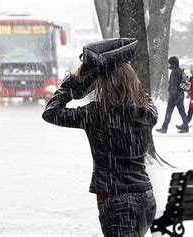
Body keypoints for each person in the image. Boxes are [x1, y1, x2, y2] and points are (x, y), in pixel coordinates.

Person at [42, 38, 157, 237]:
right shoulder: (146, 113)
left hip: (115, 201)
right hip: (145, 197)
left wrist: (74, 81)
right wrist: (126, 77)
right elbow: (142, 95)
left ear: (102, 84)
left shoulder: (96, 114)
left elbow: (51, 112)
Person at [155, 56, 189, 133]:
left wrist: (172, 95)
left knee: (169, 112)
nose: (169, 64)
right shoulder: (180, 70)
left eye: (170, 63)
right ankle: (186, 127)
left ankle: (164, 128)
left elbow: (174, 85)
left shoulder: (175, 72)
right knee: (182, 112)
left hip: (175, 96)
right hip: (180, 94)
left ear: (173, 63)